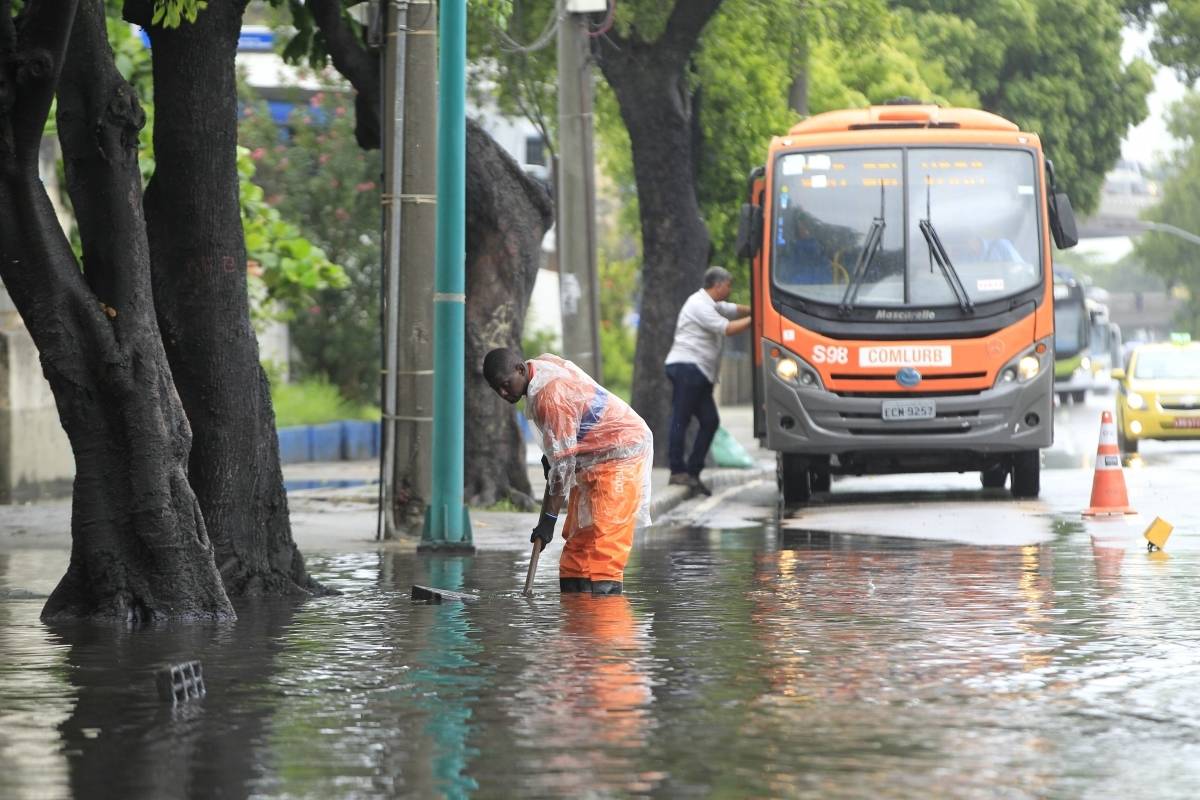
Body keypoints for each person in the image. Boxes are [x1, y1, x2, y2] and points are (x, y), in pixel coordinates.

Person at [483, 348, 652, 596]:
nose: (504, 393)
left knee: (604, 547)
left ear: (520, 369)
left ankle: (607, 630)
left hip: (621, 453)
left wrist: (547, 522)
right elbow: (568, 431)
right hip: (590, 457)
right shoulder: (540, 368)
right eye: (497, 389)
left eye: (506, 385)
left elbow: (562, 470)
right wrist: (551, 454)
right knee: (577, 547)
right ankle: (577, 627)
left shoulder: (549, 396)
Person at [663, 266, 751, 496]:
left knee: (710, 421)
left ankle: (693, 471)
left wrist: (757, 307)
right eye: (728, 285)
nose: (730, 290)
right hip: (686, 367)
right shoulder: (699, 305)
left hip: (698, 371)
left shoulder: (711, 303)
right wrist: (756, 318)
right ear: (718, 285)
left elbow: (731, 309)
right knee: (680, 419)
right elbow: (728, 328)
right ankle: (677, 470)